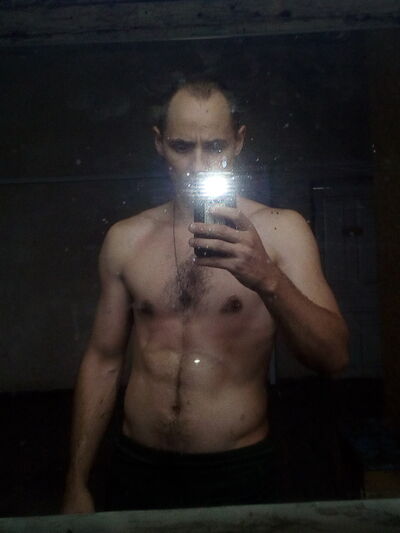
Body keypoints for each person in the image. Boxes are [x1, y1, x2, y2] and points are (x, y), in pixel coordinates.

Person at [62, 77, 349, 513]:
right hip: (138, 465)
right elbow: (103, 361)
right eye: (182, 146)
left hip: (237, 468)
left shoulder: (280, 232)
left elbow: (334, 357)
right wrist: (77, 480)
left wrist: (267, 277)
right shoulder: (126, 239)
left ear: (238, 142)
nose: (198, 165)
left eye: (214, 147)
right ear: (159, 144)